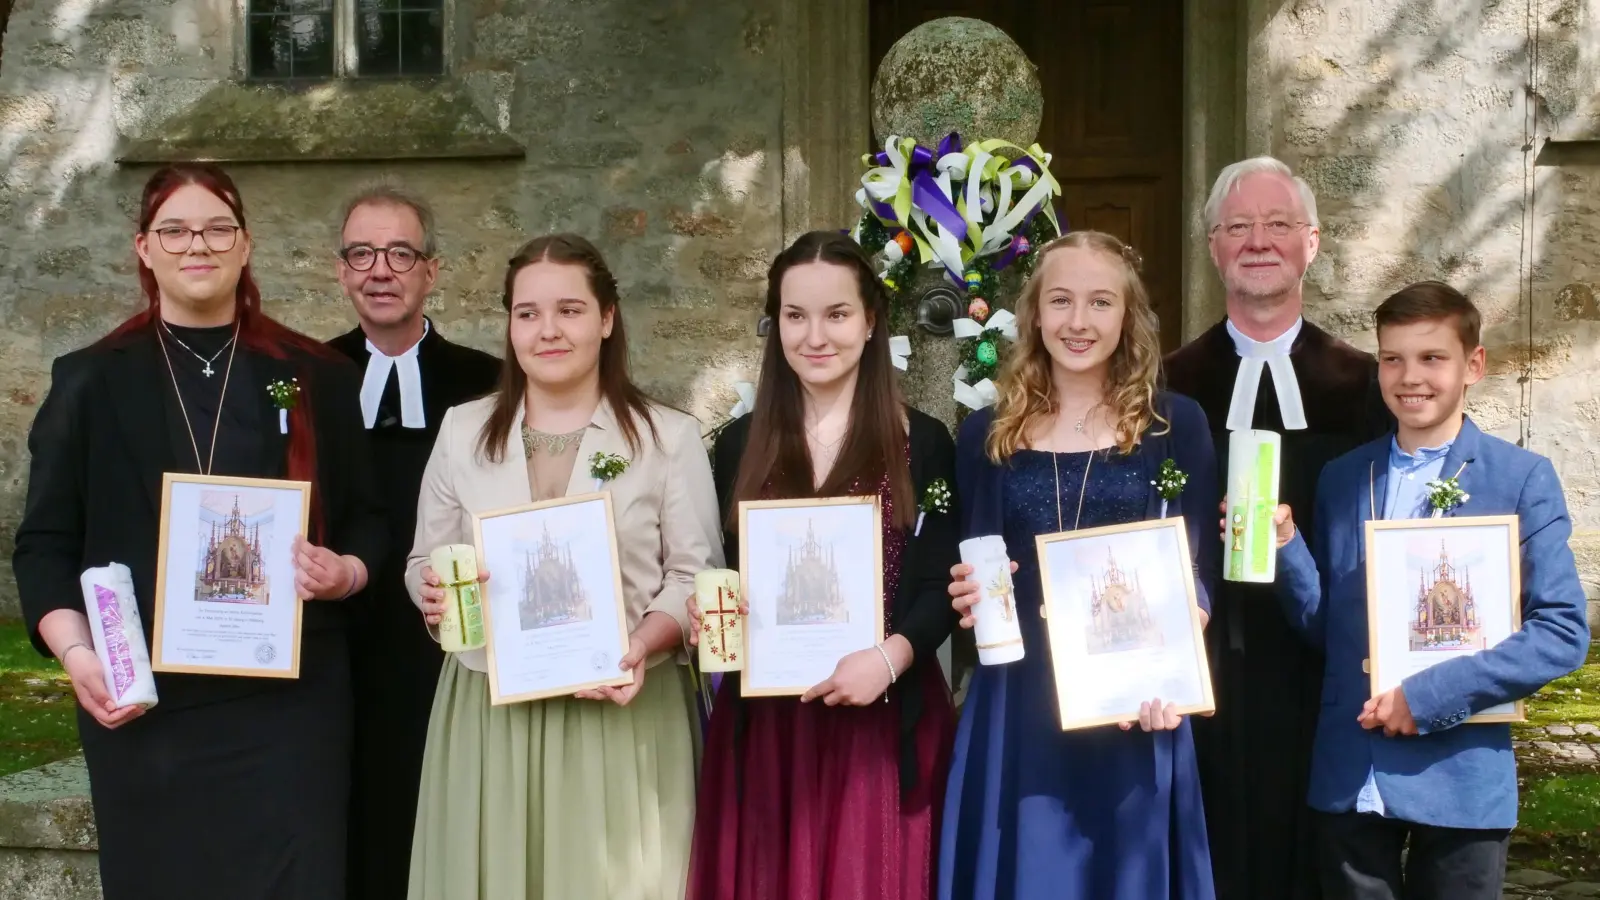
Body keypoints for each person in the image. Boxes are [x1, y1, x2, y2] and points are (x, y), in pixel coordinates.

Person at [12, 163, 386, 900]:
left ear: (245, 245)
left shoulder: (318, 374)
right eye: (174, 230)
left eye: (218, 228)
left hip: (289, 708)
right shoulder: (89, 381)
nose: (198, 245)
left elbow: (369, 518)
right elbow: (45, 544)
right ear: (144, 249)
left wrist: (345, 571)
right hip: (149, 706)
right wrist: (78, 653)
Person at [404, 233, 721, 900]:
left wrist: (642, 643)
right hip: (490, 708)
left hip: (624, 708)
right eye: (527, 313)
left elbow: (695, 575)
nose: (547, 330)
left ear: (606, 320)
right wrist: (431, 591)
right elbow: (421, 559)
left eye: (570, 310)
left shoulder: (669, 437)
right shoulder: (463, 431)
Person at [1262, 281, 1590, 900]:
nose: (1409, 377)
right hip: (1351, 770)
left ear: (1474, 366)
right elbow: (1329, 631)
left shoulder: (1521, 480)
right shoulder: (1343, 478)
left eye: (1432, 358)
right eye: (1393, 358)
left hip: (1461, 775)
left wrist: (1429, 694)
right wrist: (1285, 546)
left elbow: (1561, 633)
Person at [940, 230, 1219, 900]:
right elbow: (978, 560)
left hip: (1131, 698)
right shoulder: (987, 433)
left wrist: (1174, 665)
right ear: (1035, 313)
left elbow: (1196, 573)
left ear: (1128, 317)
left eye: (1100, 302)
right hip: (1020, 702)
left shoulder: (1174, 426)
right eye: (1061, 301)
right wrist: (970, 595)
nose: (1078, 321)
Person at [684, 230, 960, 900]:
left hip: (881, 716)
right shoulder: (740, 445)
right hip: (769, 732)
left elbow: (936, 584)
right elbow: (729, 576)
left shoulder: (921, 441)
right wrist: (711, 616)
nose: (815, 336)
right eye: (795, 315)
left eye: (836, 314)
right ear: (774, 322)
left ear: (870, 322)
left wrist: (889, 658)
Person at [1163, 155, 1392, 900]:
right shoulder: (1165, 384)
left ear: (1312, 243)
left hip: (1325, 664)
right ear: (1214, 249)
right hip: (1204, 658)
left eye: (1278, 225)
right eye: (1238, 227)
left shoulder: (1369, 385)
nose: (1258, 241)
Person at [324, 183, 500, 900]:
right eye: (361, 253)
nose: (380, 269)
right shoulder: (306, 377)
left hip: (451, 641)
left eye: (401, 252)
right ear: (341, 270)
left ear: (432, 270)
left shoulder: (488, 382)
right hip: (337, 642)